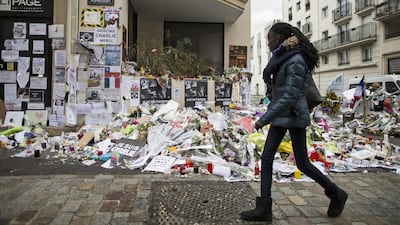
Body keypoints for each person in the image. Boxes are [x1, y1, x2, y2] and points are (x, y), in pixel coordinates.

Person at [239, 22, 348, 221]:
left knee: (302, 163)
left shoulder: (296, 60)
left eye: (270, 38)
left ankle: (336, 193)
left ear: (280, 38)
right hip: (282, 116)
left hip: (294, 115)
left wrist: (263, 120)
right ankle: (264, 207)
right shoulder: (281, 58)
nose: (268, 42)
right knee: (267, 158)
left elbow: (289, 96)